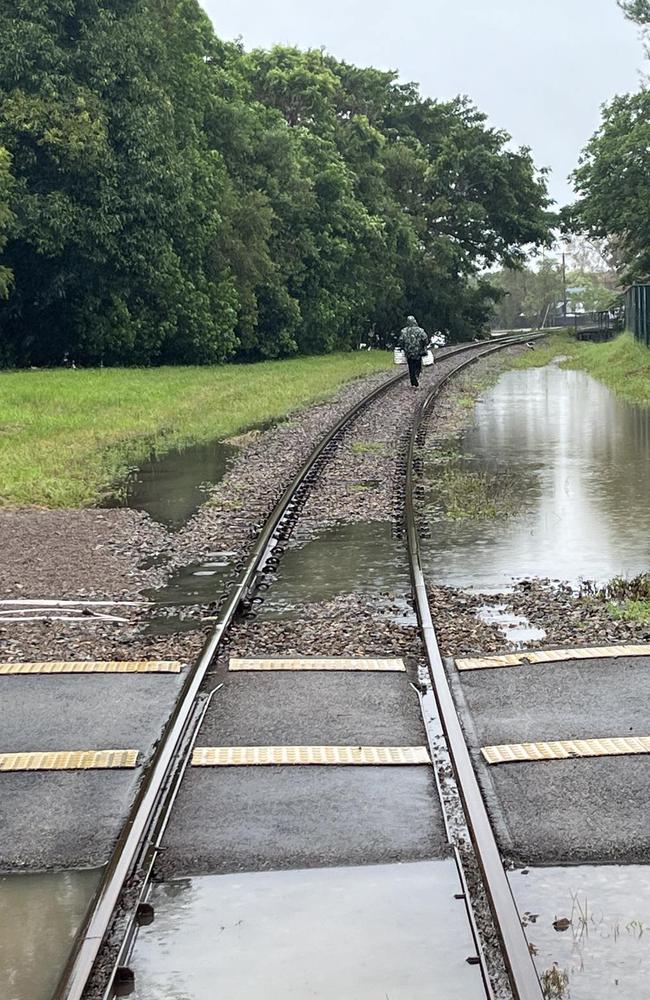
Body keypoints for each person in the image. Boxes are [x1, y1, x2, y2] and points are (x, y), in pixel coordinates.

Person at [398, 315, 429, 387]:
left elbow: (401, 340)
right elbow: (425, 339)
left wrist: (403, 347)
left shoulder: (404, 331)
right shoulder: (420, 330)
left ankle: (413, 379)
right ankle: (416, 375)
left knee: (410, 365)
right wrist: (424, 345)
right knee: (418, 365)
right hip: (418, 351)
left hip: (408, 351)